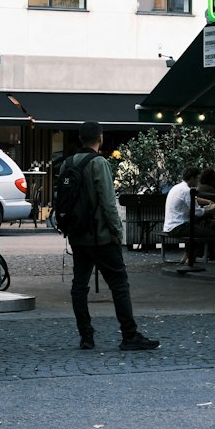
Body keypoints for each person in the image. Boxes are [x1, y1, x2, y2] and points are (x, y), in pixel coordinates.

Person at [65, 121, 160, 351]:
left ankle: (86, 335)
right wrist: (118, 232)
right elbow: (108, 203)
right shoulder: (99, 163)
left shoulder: (67, 164)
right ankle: (129, 334)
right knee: (119, 283)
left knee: (79, 285)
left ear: (80, 138)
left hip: (78, 235)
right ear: (100, 138)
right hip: (101, 236)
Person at [163, 166, 215, 264]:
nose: (198, 182)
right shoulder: (186, 191)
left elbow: (193, 199)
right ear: (192, 178)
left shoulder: (178, 187)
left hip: (170, 225)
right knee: (209, 233)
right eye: (197, 179)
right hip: (178, 226)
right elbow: (198, 212)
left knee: (195, 228)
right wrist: (213, 208)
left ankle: (188, 255)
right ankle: (192, 256)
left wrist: (207, 201)